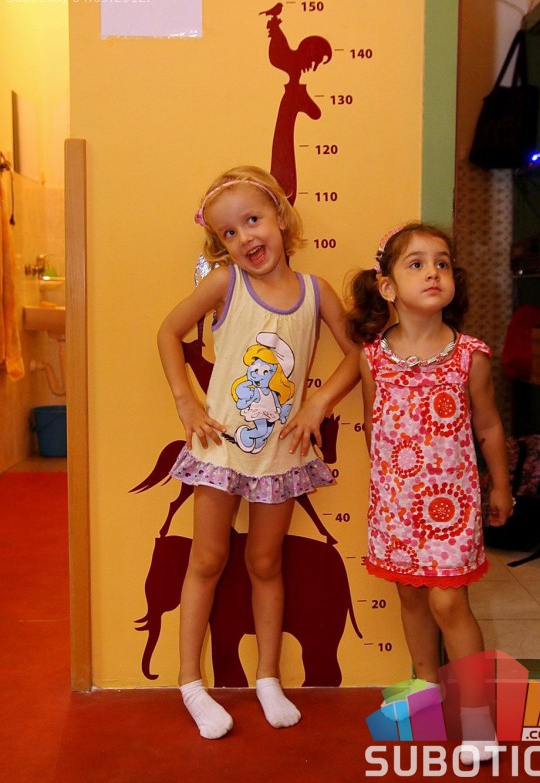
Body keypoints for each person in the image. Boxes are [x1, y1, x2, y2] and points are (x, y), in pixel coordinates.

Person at [157, 165, 357, 739]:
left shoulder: (317, 292)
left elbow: (357, 354)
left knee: (266, 564)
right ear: (220, 245)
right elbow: (168, 332)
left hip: (279, 457)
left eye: (252, 220)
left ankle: (268, 676)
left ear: (280, 217)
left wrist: (317, 406)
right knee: (207, 560)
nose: (244, 237)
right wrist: (186, 402)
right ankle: (190, 683)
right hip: (220, 453)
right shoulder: (225, 284)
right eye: (228, 232)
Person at [348, 222, 513, 763]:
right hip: (396, 506)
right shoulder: (372, 358)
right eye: (416, 264)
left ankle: (477, 713)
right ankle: (424, 692)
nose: (433, 272)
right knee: (412, 596)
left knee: (448, 600)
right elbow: (373, 427)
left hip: (452, 506)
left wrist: (501, 485)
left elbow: (488, 426)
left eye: (442, 262)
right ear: (388, 286)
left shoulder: (469, 356)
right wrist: (388, 491)